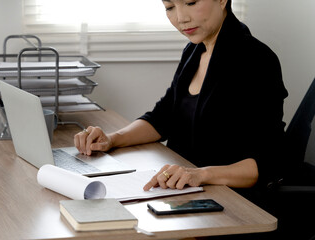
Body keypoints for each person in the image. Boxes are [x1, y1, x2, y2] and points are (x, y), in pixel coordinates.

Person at [74, 0, 288, 199]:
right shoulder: (195, 50)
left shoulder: (256, 60)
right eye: (170, 7)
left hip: (230, 200)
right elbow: (163, 117)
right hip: (182, 188)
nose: (180, 18)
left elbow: (265, 163)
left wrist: (200, 175)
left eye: (191, 2)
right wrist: (111, 139)